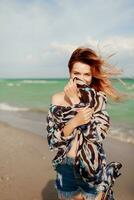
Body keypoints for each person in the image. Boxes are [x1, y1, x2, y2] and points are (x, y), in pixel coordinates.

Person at [46, 47, 122, 200]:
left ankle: (104, 183)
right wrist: (74, 121)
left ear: (92, 75)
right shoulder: (57, 99)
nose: (81, 78)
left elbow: (97, 137)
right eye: (76, 73)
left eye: (87, 74)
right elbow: (54, 141)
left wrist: (75, 101)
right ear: (69, 72)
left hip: (92, 168)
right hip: (66, 167)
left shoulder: (98, 100)